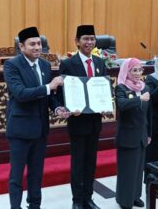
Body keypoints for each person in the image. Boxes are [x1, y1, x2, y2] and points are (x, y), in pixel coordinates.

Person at [3, 27, 63, 209]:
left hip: (40, 129)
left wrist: (58, 107)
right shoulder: (11, 65)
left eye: (39, 43)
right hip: (20, 130)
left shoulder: (44, 65)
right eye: (33, 44)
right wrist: (48, 87)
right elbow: (20, 93)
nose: (38, 47)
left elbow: (50, 95)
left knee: (36, 174)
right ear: (21, 46)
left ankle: (34, 205)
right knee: (16, 176)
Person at [57, 25, 107, 209]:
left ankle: (88, 198)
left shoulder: (100, 63)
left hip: (95, 121)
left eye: (92, 39)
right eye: (85, 38)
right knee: (78, 163)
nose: (89, 42)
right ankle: (77, 200)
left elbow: (104, 89)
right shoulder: (68, 64)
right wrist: (69, 107)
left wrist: (105, 105)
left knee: (91, 163)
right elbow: (62, 92)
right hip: (77, 121)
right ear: (77, 41)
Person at [115, 58, 152, 209]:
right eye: (134, 70)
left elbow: (149, 114)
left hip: (142, 136)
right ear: (127, 71)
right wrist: (139, 99)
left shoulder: (144, 87)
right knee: (127, 171)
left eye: (140, 70)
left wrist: (149, 134)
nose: (138, 73)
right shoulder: (121, 88)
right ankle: (124, 200)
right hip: (127, 137)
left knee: (138, 171)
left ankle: (135, 196)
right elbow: (122, 105)